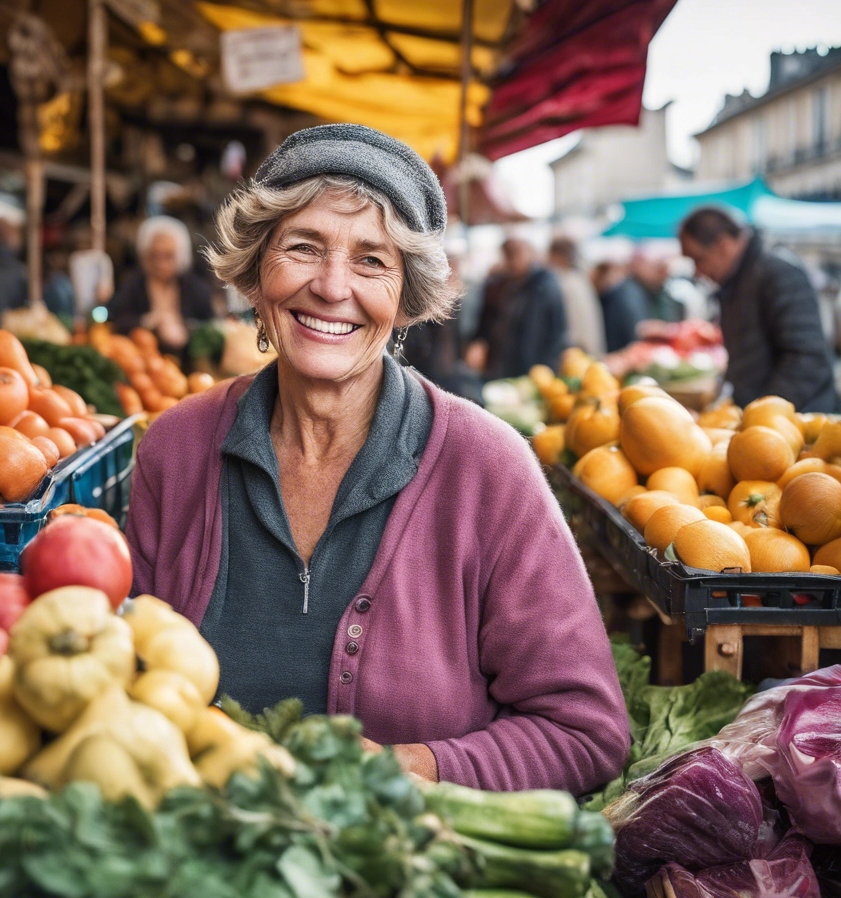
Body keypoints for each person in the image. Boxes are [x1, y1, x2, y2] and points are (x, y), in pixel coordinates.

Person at [125, 124, 629, 793]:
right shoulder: (176, 448)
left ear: (407, 297)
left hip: (403, 874)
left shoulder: (489, 468)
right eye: (303, 247)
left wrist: (415, 768)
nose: (333, 287)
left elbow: (584, 730)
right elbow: (120, 681)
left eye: (371, 261)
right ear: (256, 271)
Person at [679, 207, 839, 412]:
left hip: (799, 422)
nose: (697, 272)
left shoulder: (776, 271)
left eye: (697, 259)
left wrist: (762, 414)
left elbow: (807, 357)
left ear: (722, 245)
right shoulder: (738, 278)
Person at [466, 237, 568, 379]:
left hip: (532, 366)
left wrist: (547, 368)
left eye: (516, 254)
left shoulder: (545, 284)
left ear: (529, 253)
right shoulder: (502, 283)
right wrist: (479, 341)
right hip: (502, 364)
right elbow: (489, 318)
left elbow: (558, 330)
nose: (513, 261)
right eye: (508, 256)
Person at [108, 215, 214, 348]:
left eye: (168, 256)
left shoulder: (196, 287)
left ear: (180, 255)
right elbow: (117, 320)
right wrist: (147, 322)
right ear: (144, 255)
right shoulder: (132, 284)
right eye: (155, 256)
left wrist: (183, 326)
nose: (161, 264)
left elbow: (210, 325)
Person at [548, 237, 605, 357]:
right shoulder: (580, 279)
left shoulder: (563, 282)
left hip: (576, 350)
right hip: (588, 348)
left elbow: (571, 324)